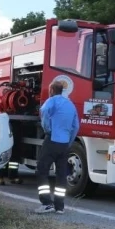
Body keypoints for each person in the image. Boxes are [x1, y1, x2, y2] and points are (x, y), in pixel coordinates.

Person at [34, 80, 79, 214]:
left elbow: (44, 111)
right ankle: (60, 206)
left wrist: (47, 128)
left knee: (42, 170)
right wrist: (69, 141)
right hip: (64, 143)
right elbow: (76, 126)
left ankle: (47, 203)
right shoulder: (71, 104)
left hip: (52, 140)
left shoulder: (52, 100)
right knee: (61, 175)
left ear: (52, 91)